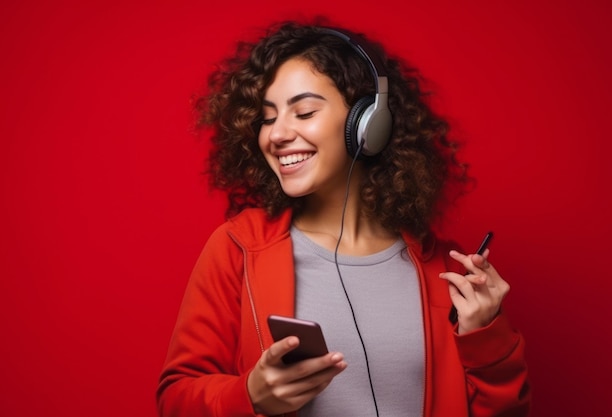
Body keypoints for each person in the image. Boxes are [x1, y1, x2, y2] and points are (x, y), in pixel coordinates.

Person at [156, 20, 530, 417]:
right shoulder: (239, 248)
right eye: (267, 118)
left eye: (304, 112)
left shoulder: (446, 271)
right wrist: (248, 396)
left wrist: (486, 337)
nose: (277, 134)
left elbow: (503, 412)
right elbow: (176, 399)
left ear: (369, 124)